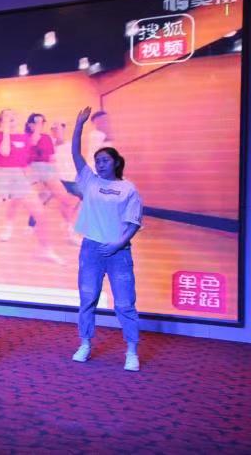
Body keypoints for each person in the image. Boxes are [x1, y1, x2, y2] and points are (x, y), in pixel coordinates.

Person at [71, 106, 143, 372]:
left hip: (118, 251)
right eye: (97, 160)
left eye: (104, 160)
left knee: (124, 303)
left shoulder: (127, 188)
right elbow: (75, 154)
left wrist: (117, 244)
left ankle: (131, 351)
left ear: (115, 163)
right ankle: (85, 343)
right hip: (91, 249)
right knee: (87, 299)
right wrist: (79, 125)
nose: (99, 163)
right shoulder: (90, 181)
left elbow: (134, 223)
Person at [0, 109, 63, 264]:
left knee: (41, 214)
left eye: (13, 117)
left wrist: (32, 182)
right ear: (0, 121)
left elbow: (25, 160)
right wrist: (6, 130)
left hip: (19, 177)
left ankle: (45, 250)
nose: (11, 119)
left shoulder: (24, 138)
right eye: (6, 117)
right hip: (1, 176)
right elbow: (5, 151)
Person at [25, 113, 78, 242]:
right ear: (30, 125)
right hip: (40, 175)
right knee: (40, 201)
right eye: (54, 128)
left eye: (42, 123)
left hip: (65, 178)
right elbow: (32, 143)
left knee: (70, 202)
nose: (41, 125)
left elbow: (52, 159)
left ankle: (70, 230)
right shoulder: (28, 138)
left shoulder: (65, 143)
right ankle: (31, 226)